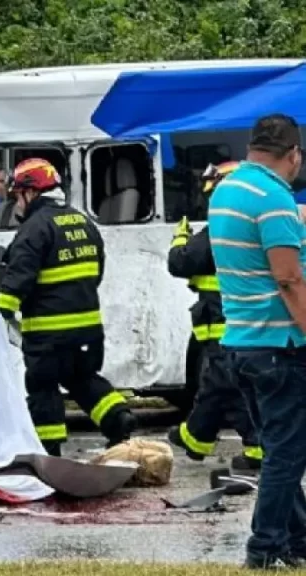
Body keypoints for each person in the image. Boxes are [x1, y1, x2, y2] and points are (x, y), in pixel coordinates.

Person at [208, 113, 306, 570]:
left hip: (240, 342)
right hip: (278, 345)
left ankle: (297, 540)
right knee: (289, 454)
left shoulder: (228, 189)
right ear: (294, 155)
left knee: (279, 447)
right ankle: (265, 549)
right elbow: (289, 279)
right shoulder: (273, 197)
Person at [0, 157, 136, 456]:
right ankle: (117, 418)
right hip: (87, 329)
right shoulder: (83, 222)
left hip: (48, 331)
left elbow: (19, 276)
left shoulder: (34, 228)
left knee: (43, 386)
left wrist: (0, 311)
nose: (17, 204)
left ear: (30, 192)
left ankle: (50, 450)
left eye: (18, 195)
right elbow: (96, 272)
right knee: (82, 379)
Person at [166, 161, 262, 470]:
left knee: (228, 383)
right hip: (236, 319)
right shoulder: (252, 225)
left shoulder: (220, 228)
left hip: (222, 322)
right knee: (216, 382)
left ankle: (257, 447)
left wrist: (180, 238)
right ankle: (196, 437)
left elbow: (181, 263)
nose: (210, 201)